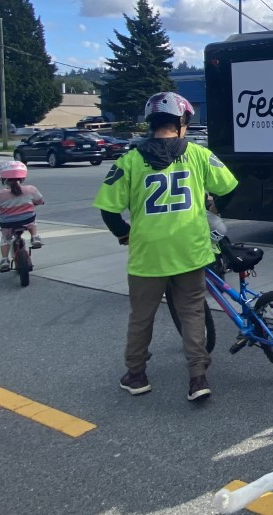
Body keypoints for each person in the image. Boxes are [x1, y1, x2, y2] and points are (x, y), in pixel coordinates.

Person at [93, 92, 238, 402]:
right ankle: (198, 377)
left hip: (148, 254)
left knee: (141, 316)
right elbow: (229, 187)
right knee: (192, 313)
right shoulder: (199, 154)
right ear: (182, 122)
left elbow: (108, 209)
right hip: (190, 250)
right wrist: (212, 209)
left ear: (151, 123)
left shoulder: (129, 160)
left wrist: (124, 234)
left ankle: (136, 375)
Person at [0, 160, 44, 272]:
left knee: (5, 238)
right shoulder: (31, 189)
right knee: (32, 221)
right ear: (23, 178)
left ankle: (4, 260)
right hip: (27, 220)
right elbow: (40, 200)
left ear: (3, 179)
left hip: (8, 223)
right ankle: (34, 237)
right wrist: (37, 203)